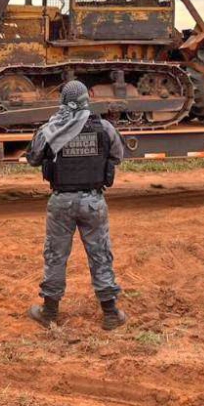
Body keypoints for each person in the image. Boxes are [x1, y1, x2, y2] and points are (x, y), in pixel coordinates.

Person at [26, 80, 127, 330]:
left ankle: (49, 312)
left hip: (61, 201)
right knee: (100, 254)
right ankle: (111, 313)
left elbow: (33, 158)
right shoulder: (104, 128)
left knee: (55, 256)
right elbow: (117, 156)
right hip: (93, 201)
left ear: (62, 102)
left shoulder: (50, 129)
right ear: (86, 100)